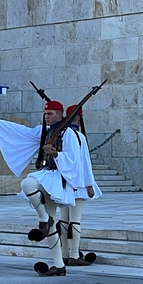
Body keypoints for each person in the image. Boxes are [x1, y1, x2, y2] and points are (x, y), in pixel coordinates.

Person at [0, 100, 93, 277]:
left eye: (50, 114)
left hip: (58, 178)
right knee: (36, 199)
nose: (47, 117)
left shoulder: (69, 134)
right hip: (46, 175)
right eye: (45, 114)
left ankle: (47, 224)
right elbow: (23, 132)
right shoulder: (45, 131)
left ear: (60, 115)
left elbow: (75, 159)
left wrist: (56, 154)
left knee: (28, 183)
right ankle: (58, 264)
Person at [58, 104, 101, 266]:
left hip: (64, 183)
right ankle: (74, 255)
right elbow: (84, 163)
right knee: (75, 220)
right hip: (79, 183)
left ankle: (63, 254)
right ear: (78, 117)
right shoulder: (77, 136)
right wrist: (89, 184)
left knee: (63, 220)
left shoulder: (61, 133)